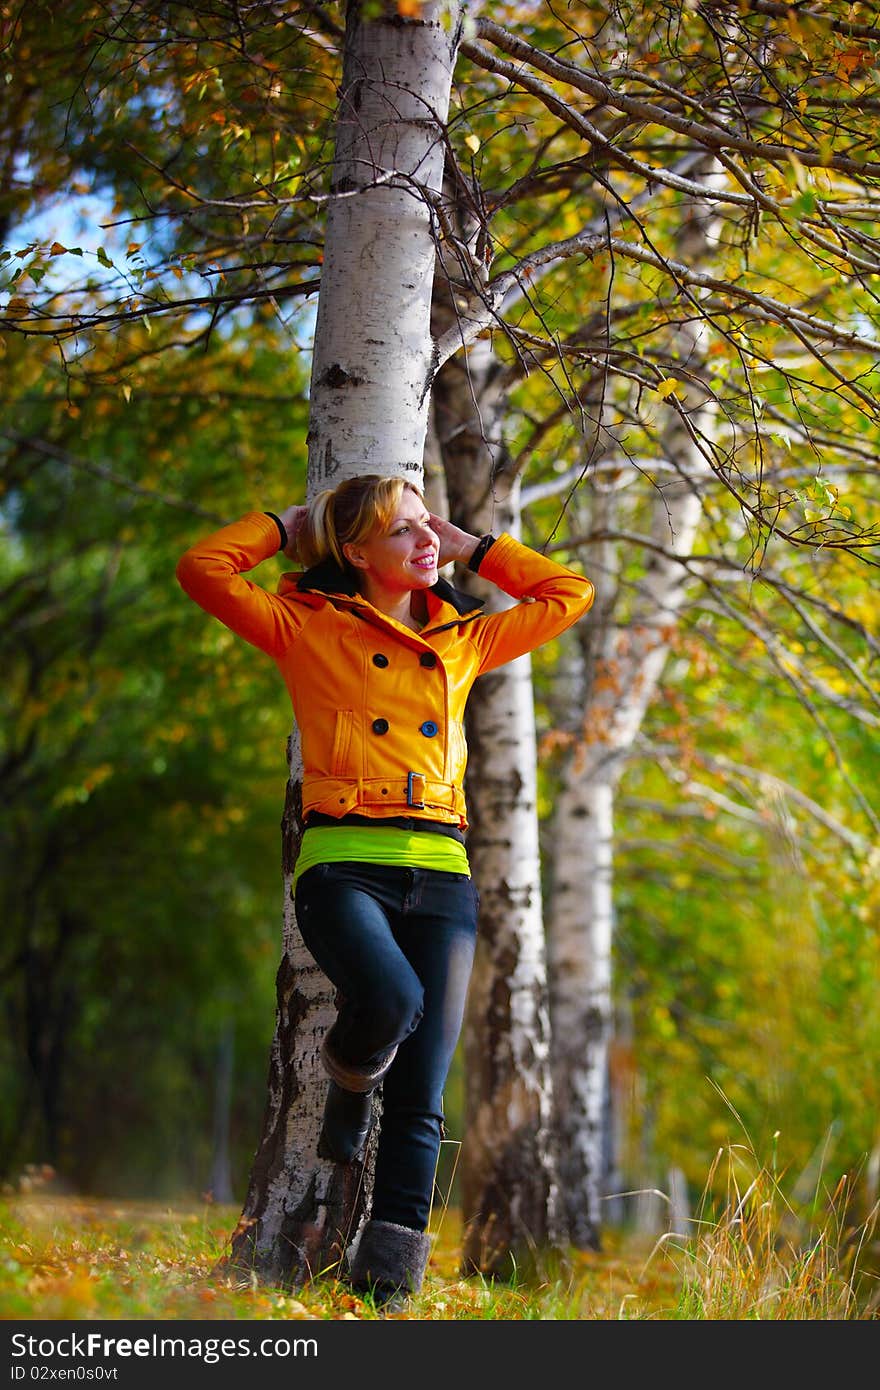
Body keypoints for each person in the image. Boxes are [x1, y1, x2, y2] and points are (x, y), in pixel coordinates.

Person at [175, 473, 594, 1310]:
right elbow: (202, 570)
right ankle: (349, 1076)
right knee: (391, 999)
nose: (424, 538)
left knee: (424, 1098)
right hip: (343, 863)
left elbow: (568, 591)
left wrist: (470, 542)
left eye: (425, 525)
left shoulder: (462, 641)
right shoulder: (304, 626)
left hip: (441, 872)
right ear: (356, 552)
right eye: (402, 530)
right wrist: (283, 527)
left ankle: (387, 1284)